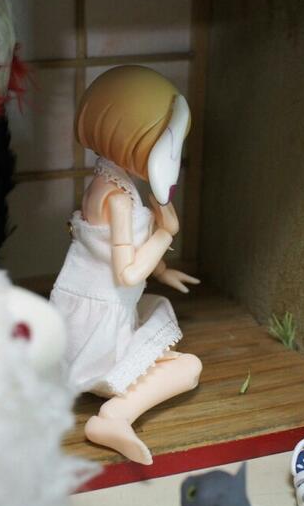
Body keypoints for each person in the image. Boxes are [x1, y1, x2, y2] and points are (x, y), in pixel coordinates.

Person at [50, 65, 202, 465]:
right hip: (98, 334)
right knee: (188, 368)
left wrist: (163, 270)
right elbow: (128, 272)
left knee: (170, 352)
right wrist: (166, 233)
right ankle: (113, 418)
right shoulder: (117, 198)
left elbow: (111, 253)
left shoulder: (108, 182)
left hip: (98, 314)